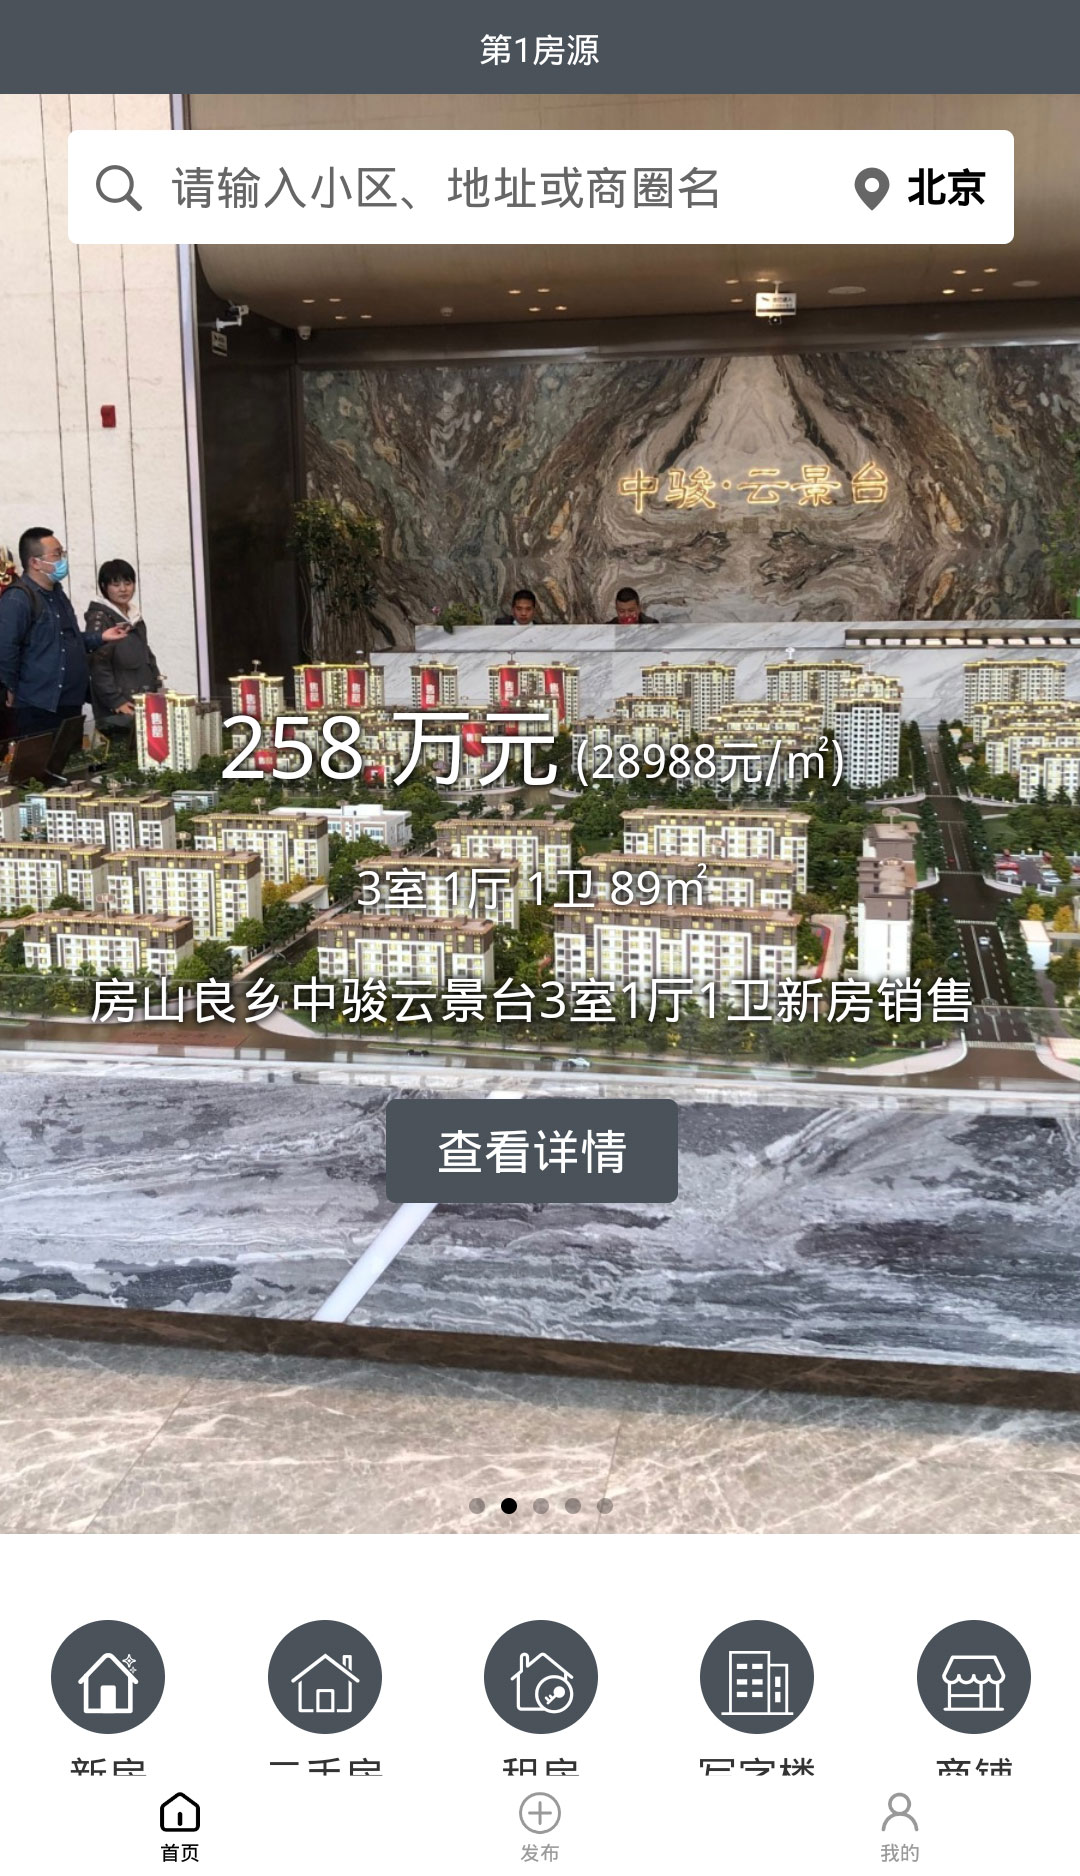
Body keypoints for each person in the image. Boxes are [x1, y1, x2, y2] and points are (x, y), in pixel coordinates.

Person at [0, 527, 129, 742]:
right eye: (57, 554)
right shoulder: (18, 599)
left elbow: (66, 640)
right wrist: (11, 689)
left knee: (70, 759)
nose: (63, 560)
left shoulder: (57, 594)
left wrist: (100, 637)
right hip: (38, 705)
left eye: (63, 553)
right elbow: (5, 649)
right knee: (40, 761)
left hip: (69, 702)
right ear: (35, 562)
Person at [84, 558, 163, 735]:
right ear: (104, 586)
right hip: (120, 705)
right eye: (116, 584)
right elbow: (98, 664)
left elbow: (145, 653)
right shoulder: (100, 617)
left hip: (142, 698)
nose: (123, 589)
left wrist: (157, 685)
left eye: (128, 583)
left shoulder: (133, 615)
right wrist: (115, 700)